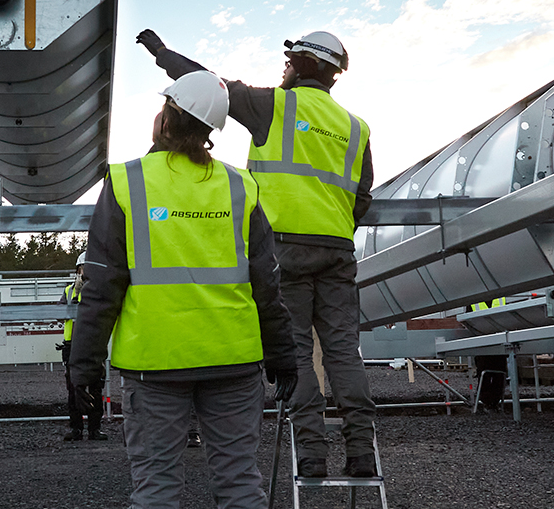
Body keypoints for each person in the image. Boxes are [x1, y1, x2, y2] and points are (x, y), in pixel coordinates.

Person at [136, 29, 377, 479]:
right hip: (338, 251)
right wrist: (333, 225)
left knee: (300, 354)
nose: (283, 69)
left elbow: (206, 85)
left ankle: (312, 455)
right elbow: (362, 197)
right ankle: (362, 451)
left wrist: (161, 53)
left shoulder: (274, 106)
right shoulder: (356, 128)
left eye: (290, 61)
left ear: (305, 65)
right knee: (345, 351)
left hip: (285, 251)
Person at [69, 70, 298, 509]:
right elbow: (267, 283)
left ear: (167, 119)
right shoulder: (239, 186)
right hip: (234, 360)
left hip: (154, 365)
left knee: (157, 490)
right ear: (210, 130)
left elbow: (102, 285)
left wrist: (85, 367)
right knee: (239, 486)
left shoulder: (127, 182)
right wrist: (283, 355)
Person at [59, 251, 106, 441]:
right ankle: (76, 429)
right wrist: (76, 294)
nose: (85, 272)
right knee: (73, 390)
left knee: (96, 388)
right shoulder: (69, 291)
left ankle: (94, 429)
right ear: (77, 270)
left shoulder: (99, 291)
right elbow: (61, 313)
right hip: (72, 345)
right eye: (83, 268)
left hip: (94, 344)